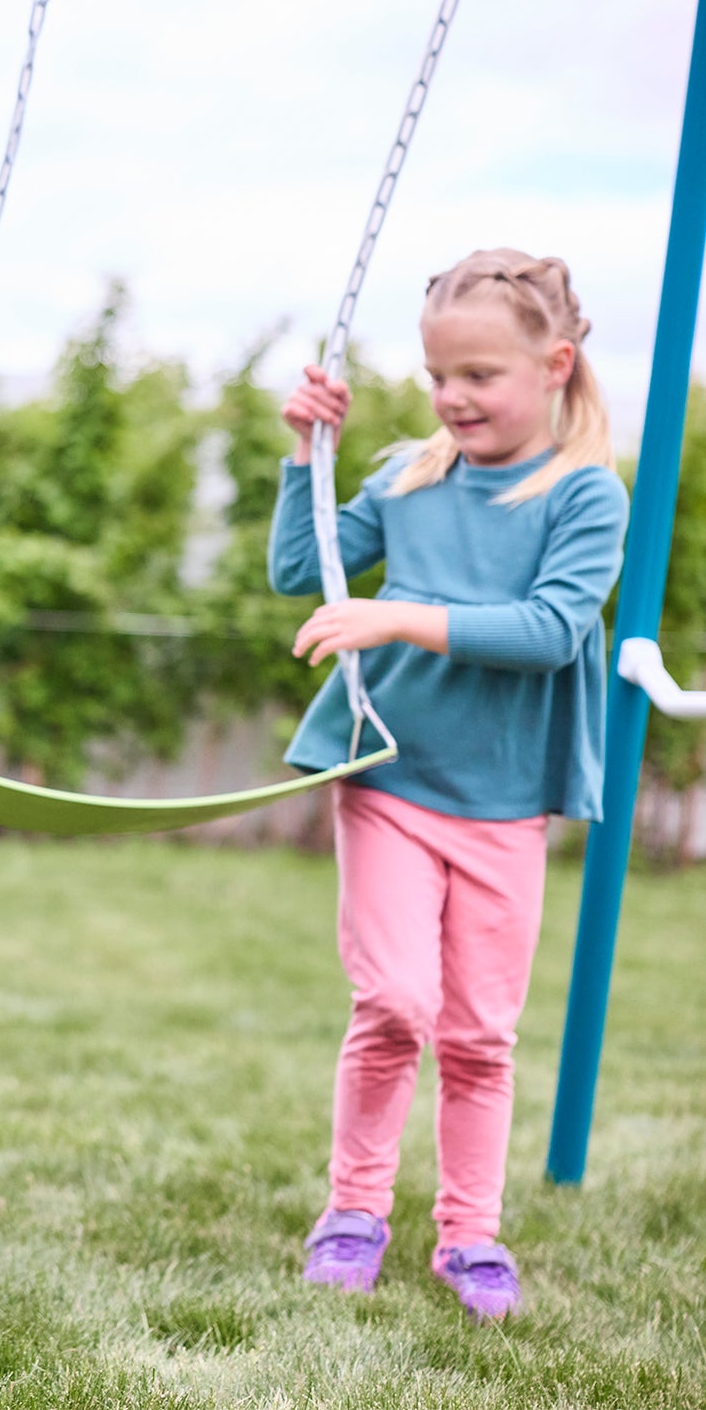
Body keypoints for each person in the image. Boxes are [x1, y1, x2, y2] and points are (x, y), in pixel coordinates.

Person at [269, 249, 629, 1319]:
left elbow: (549, 629)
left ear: (554, 364)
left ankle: (469, 1234)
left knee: (476, 1031)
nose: (452, 397)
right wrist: (308, 455)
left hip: (504, 799)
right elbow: (304, 569)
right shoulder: (409, 478)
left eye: (479, 374)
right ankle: (352, 1208)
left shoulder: (580, 496)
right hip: (388, 772)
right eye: (438, 375)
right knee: (391, 1002)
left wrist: (393, 616)